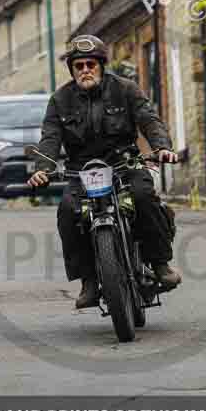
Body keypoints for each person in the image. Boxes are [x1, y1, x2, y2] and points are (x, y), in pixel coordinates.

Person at [29, 35, 181, 310]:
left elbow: (149, 120)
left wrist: (161, 147)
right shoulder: (59, 100)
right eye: (79, 66)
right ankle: (88, 281)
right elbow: (49, 138)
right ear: (72, 70)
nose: (85, 70)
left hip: (124, 164)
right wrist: (42, 169)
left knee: (144, 196)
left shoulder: (126, 89)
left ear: (101, 65)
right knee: (67, 211)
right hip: (81, 172)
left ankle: (160, 264)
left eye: (91, 64)